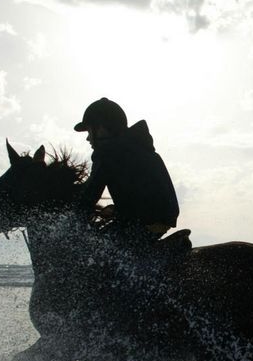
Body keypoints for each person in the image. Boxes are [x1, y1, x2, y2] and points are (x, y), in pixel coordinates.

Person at [74, 97, 180, 251]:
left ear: (101, 128)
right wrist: (117, 210)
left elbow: (89, 195)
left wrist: (69, 221)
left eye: (90, 130)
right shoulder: (139, 146)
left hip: (141, 224)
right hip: (162, 220)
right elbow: (142, 192)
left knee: (93, 250)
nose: (88, 138)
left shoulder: (106, 152)